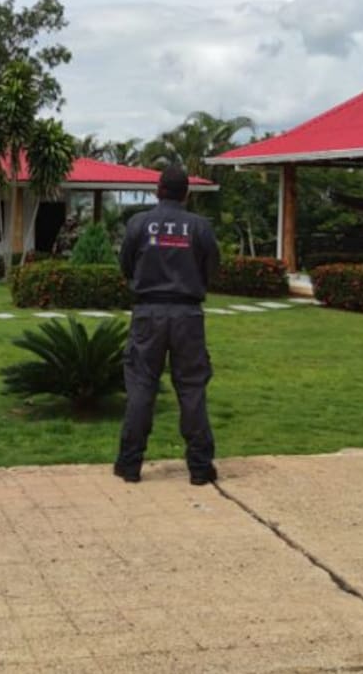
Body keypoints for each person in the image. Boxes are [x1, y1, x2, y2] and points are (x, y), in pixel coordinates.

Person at [115, 165, 221, 486]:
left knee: (141, 387)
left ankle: (130, 465)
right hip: (188, 315)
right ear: (186, 193)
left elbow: (126, 264)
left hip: (148, 314)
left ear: (158, 190)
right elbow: (212, 267)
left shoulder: (139, 223)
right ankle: (200, 468)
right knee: (191, 389)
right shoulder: (199, 227)